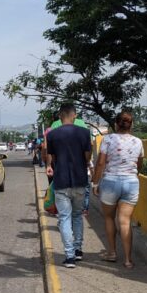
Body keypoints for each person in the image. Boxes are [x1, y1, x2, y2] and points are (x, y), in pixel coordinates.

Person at [92, 111, 144, 269]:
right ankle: (128, 260)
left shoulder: (108, 139)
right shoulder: (138, 141)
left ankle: (112, 253)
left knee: (109, 218)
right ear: (131, 125)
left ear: (115, 124)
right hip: (131, 182)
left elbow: (101, 163)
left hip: (110, 182)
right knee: (125, 221)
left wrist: (95, 183)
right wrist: (133, 174)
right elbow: (139, 163)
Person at [45, 104, 92, 268]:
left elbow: (53, 157)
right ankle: (78, 250)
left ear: (60, 116)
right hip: (80, 180)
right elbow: (87, 156)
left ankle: (70, 256)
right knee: (77, 215)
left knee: (64, 218)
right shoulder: (84, 132)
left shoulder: (52, 134)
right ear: (74, 115)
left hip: (61, 180)